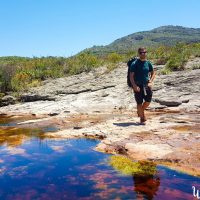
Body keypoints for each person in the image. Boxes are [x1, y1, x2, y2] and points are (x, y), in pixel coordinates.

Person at [129, 47, 156, 124]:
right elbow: (131, 76)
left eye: (144, 52)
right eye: (141, 53)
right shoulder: (135, 64)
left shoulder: (148, 63)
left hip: (146, 85)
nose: (143, 54)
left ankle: (140, 111)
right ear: (139, 53)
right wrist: (134, 86)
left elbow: (153, 72)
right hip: (138, 86)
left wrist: (151, 81)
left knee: (148, 101)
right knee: (139, 102)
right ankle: (142, 117)